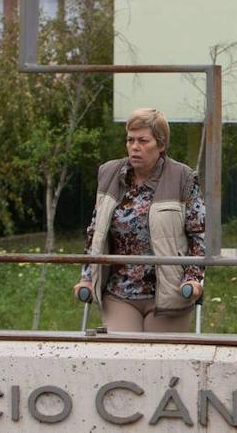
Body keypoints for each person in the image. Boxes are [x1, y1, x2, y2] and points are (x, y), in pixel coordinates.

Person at [73, 108, 205, 332]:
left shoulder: (183, 178)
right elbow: (95, 231)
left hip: (168, 293)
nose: (135, 147)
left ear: (161, 145)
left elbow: (198, 234)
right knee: (124, 357)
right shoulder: (109, 174)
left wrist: (193, 278)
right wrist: (87, 277)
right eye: (130, 140)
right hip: (119, 292)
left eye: (143, 141)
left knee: (160, 361)